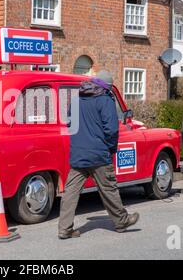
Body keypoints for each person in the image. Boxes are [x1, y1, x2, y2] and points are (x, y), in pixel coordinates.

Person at [58, 70, 139, 239]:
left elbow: (70, 124)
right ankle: (121, 221)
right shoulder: (105, 100)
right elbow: (111, 129)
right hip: (99, 154)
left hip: (78, 153)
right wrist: (110, 149)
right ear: (107, 87)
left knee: (71, 191)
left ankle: (64, 229)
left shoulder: (76, 99)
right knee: (109, 188)